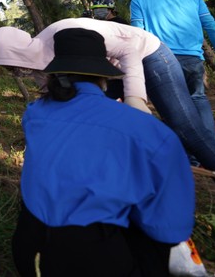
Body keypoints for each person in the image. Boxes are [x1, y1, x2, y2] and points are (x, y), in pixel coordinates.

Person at [0, 18, 215, 252]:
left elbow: (130, 48)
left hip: (147, 55)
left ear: (18, 53)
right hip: (106, 72)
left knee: (190, 133)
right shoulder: (40, 70)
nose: (14, 74)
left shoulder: (60, 36)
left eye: (11, 66)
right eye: (7, 70)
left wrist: (134, 98)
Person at [12, 28, 194, 276]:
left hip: (29, 246)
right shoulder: (151, 132)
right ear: (104, 77)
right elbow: (170, 229)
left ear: (55, 73)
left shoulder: (34, 114)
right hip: (94, 256)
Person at [130, 0, 215, 141]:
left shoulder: (139, 1)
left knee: (171, 107)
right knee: (198, 98)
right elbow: (211, 26)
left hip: (160, 60)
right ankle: (210, 146)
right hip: (193, 58)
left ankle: (184, 151)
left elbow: (138, 33)